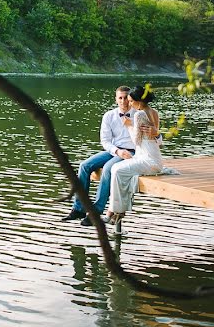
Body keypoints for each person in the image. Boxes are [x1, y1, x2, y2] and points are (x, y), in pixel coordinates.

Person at [62, 85, 137, 226]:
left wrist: (124, 153)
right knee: (84, 166)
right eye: (120, 98)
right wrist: (116, 151)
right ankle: (79, 208)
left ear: (130, 98)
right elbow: (105, 141)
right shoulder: (109, 116)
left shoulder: (137, 114)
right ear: (116, 99)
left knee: (108, 168)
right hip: (114, 150)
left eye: (126, 97)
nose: (123, 101)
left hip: (130, 152)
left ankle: (96, 211)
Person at [106, 86, 164, 224]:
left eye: (131, 101)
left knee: (117, 169)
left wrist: (128, 125)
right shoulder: (154, 112)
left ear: (138, 101)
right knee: (119, 170)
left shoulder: (138, 114)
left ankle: (116, 210)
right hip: (155, 159)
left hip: (147, 160)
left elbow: (136, 141)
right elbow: (155, 138)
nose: (129, 104)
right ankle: (116, 210)